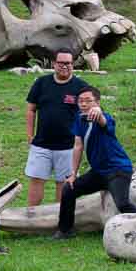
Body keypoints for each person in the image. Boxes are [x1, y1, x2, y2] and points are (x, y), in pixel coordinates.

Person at [53, 86, 136, 238]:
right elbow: (78, 146)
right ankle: (65, 230)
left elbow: (103, 121)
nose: (84, 104)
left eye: (88, 101)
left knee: (122, 204)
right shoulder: (80, 119)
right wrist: (73, 174)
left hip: (117, 171)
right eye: (80, 101)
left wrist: (99, 113)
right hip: (98, 172)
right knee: (68, 189)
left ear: (98, 102)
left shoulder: (105, 117)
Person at [25, 50, 88, 209]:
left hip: (68, 146)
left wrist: (81, 139)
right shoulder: (41, 83)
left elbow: (87, 113)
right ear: (54, 64)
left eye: (68, 63)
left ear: (72, 65)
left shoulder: (81, 87)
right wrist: (29, 135)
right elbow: (31, 109)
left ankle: (59, 219)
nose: (65, 66)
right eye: (61, 63)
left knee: (64, 183)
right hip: (41, 144)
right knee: (37, 180)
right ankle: (31, 217)